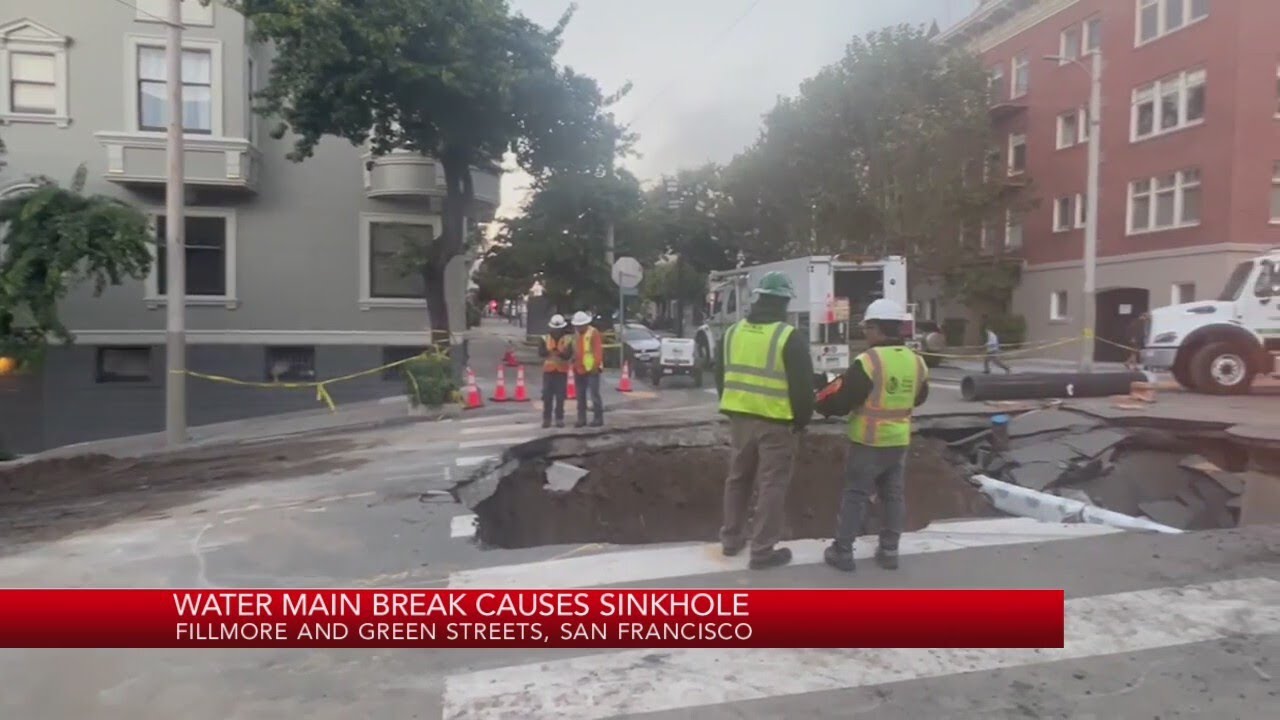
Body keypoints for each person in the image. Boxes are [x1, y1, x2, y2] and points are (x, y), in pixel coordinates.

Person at [817, 298, 929, 573]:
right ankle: (889, 550)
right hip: (898, 441)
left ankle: (843, 551)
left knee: (855, 494)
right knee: (893, 495)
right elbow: (921, 396)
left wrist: (819, 403)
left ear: (878, 329)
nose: (865, 332)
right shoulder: (917, 362)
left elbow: (842, 399)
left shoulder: (869, 361)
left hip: (868, 441)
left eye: (867, 327)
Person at [715, 271, 815, 570]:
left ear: (758, 297)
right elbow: (802, 388)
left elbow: (722, 377)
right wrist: (801, 420)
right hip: (776, 422)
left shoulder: (731, 333)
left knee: (738, 479)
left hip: (740, 419)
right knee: (772, 484)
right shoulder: (788, 337)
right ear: (783, 302)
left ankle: (731, 540)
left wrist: (733, 407)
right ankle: (761, 550)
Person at [539, 314, 574, 428]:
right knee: (547, 396)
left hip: (561, 371)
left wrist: (558, 353)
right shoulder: (544, 338)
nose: (556, 331)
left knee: (560, 397)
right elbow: (541, 353)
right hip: (548, 371)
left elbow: (568, 355)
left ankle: (559, 418)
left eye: (558, 329)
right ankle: (547, 419)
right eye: (555, 328)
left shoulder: (568, 339)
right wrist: (551, 352)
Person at [571, 311, 605, 427]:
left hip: (592, 370)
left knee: (594, 395)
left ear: (586, 324)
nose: (578, 327)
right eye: (577, 326)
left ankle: (598, 419)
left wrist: (595, 366)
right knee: (580, 396)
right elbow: (575, 349)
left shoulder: (593, 333)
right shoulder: (576, 334)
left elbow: (598, 351)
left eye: (580, 325)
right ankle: (581, 419)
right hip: (579, 369)